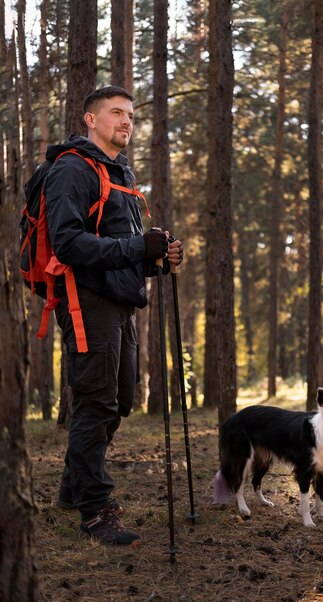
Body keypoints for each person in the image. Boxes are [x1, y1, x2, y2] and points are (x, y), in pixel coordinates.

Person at [44, 85, 183, 546]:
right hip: (85, 301)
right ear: (90, 119)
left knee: (120, 400)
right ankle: (95, 510)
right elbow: (68, 243)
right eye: (116, 113)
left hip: (121, 301)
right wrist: (133, 248)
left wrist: (155, 258)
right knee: (97, 402)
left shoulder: (119, 172)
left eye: (130, 115)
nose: (126, 121)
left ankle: (72, 488)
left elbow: (122, 250)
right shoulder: (70, 169)